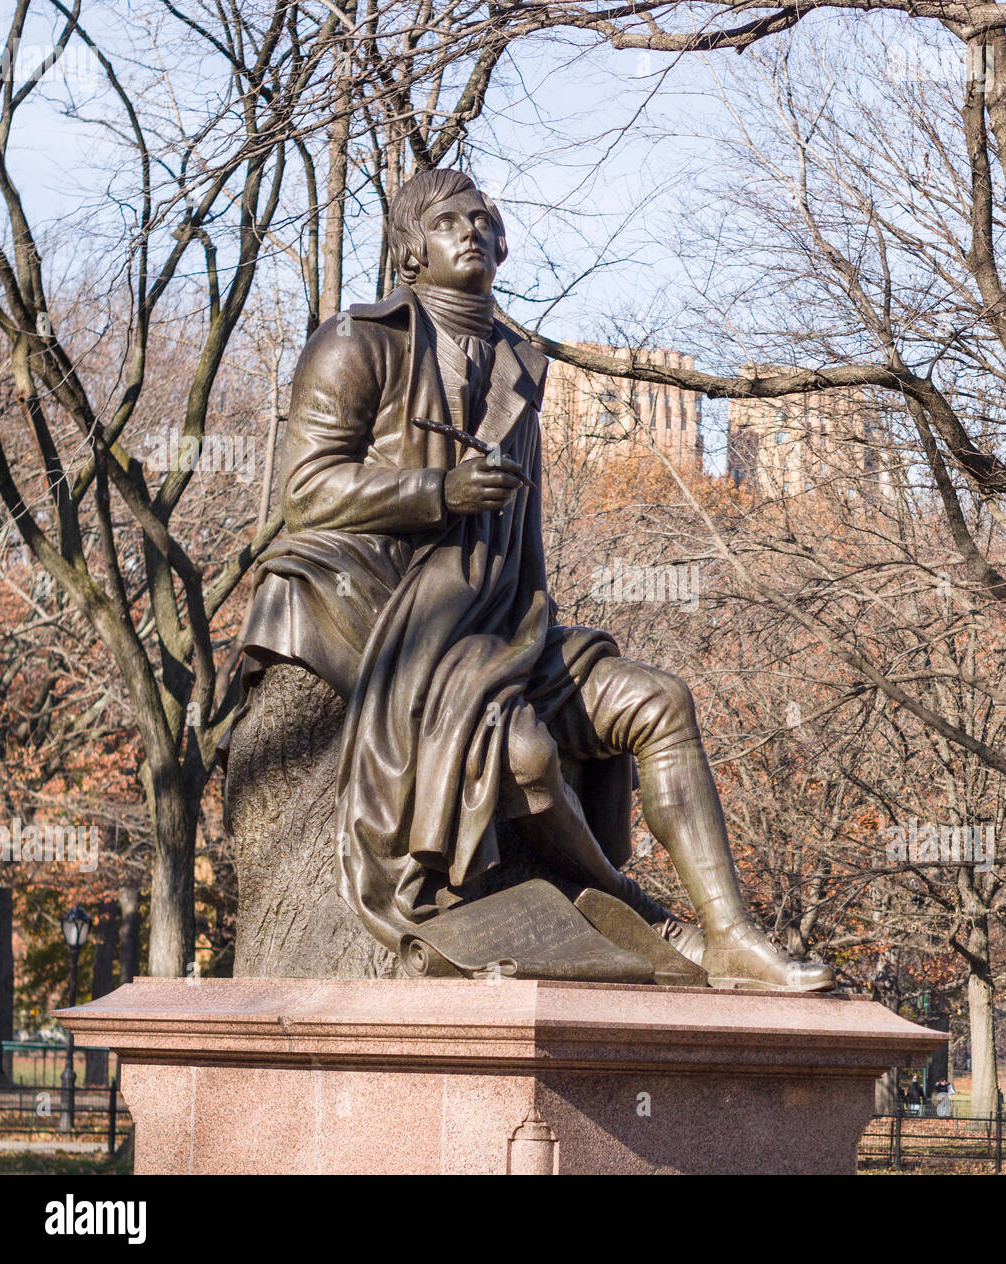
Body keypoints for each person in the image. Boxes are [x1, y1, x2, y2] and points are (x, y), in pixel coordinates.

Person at [236, 169, 834, 992]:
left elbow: (522, 542)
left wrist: (532, 633)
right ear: (410, 251)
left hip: (500, 621)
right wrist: (434, 493)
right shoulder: (356, 341)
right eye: (449, 222)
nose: (472, 231)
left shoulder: (522, 367)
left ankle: (730, 935)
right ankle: (636, 913)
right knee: (519, 751)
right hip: (385, 612)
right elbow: (306, 490)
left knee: (661, 701)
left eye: (484, 219)